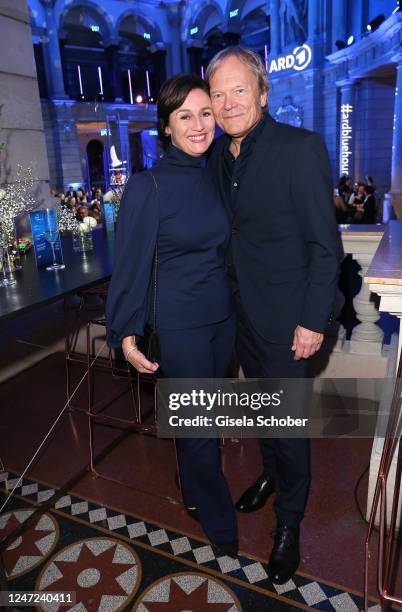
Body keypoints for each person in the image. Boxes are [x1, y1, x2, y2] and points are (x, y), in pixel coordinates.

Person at [206, 47, 340, 583]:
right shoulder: (216, 157)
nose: (228, 102)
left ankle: (290, 522)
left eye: (239, 89)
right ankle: (268, 474)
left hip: (289, 323)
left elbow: (325, 246)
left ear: (262, 92)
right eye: (218, 93)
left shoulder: (300, 148)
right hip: (239, 317)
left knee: (288, 426)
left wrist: (313, 320)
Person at [106, 74, 238, 556]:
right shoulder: (148, 186)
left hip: (222, 321)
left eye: (206, 113)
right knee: (201, 426)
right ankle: (220, 519)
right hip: (179, 325)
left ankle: (192, 480)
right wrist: (126, 333)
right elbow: (132, 264)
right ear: (165, 126)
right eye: (185, 116)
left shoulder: (218, 173)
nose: (199, 124)